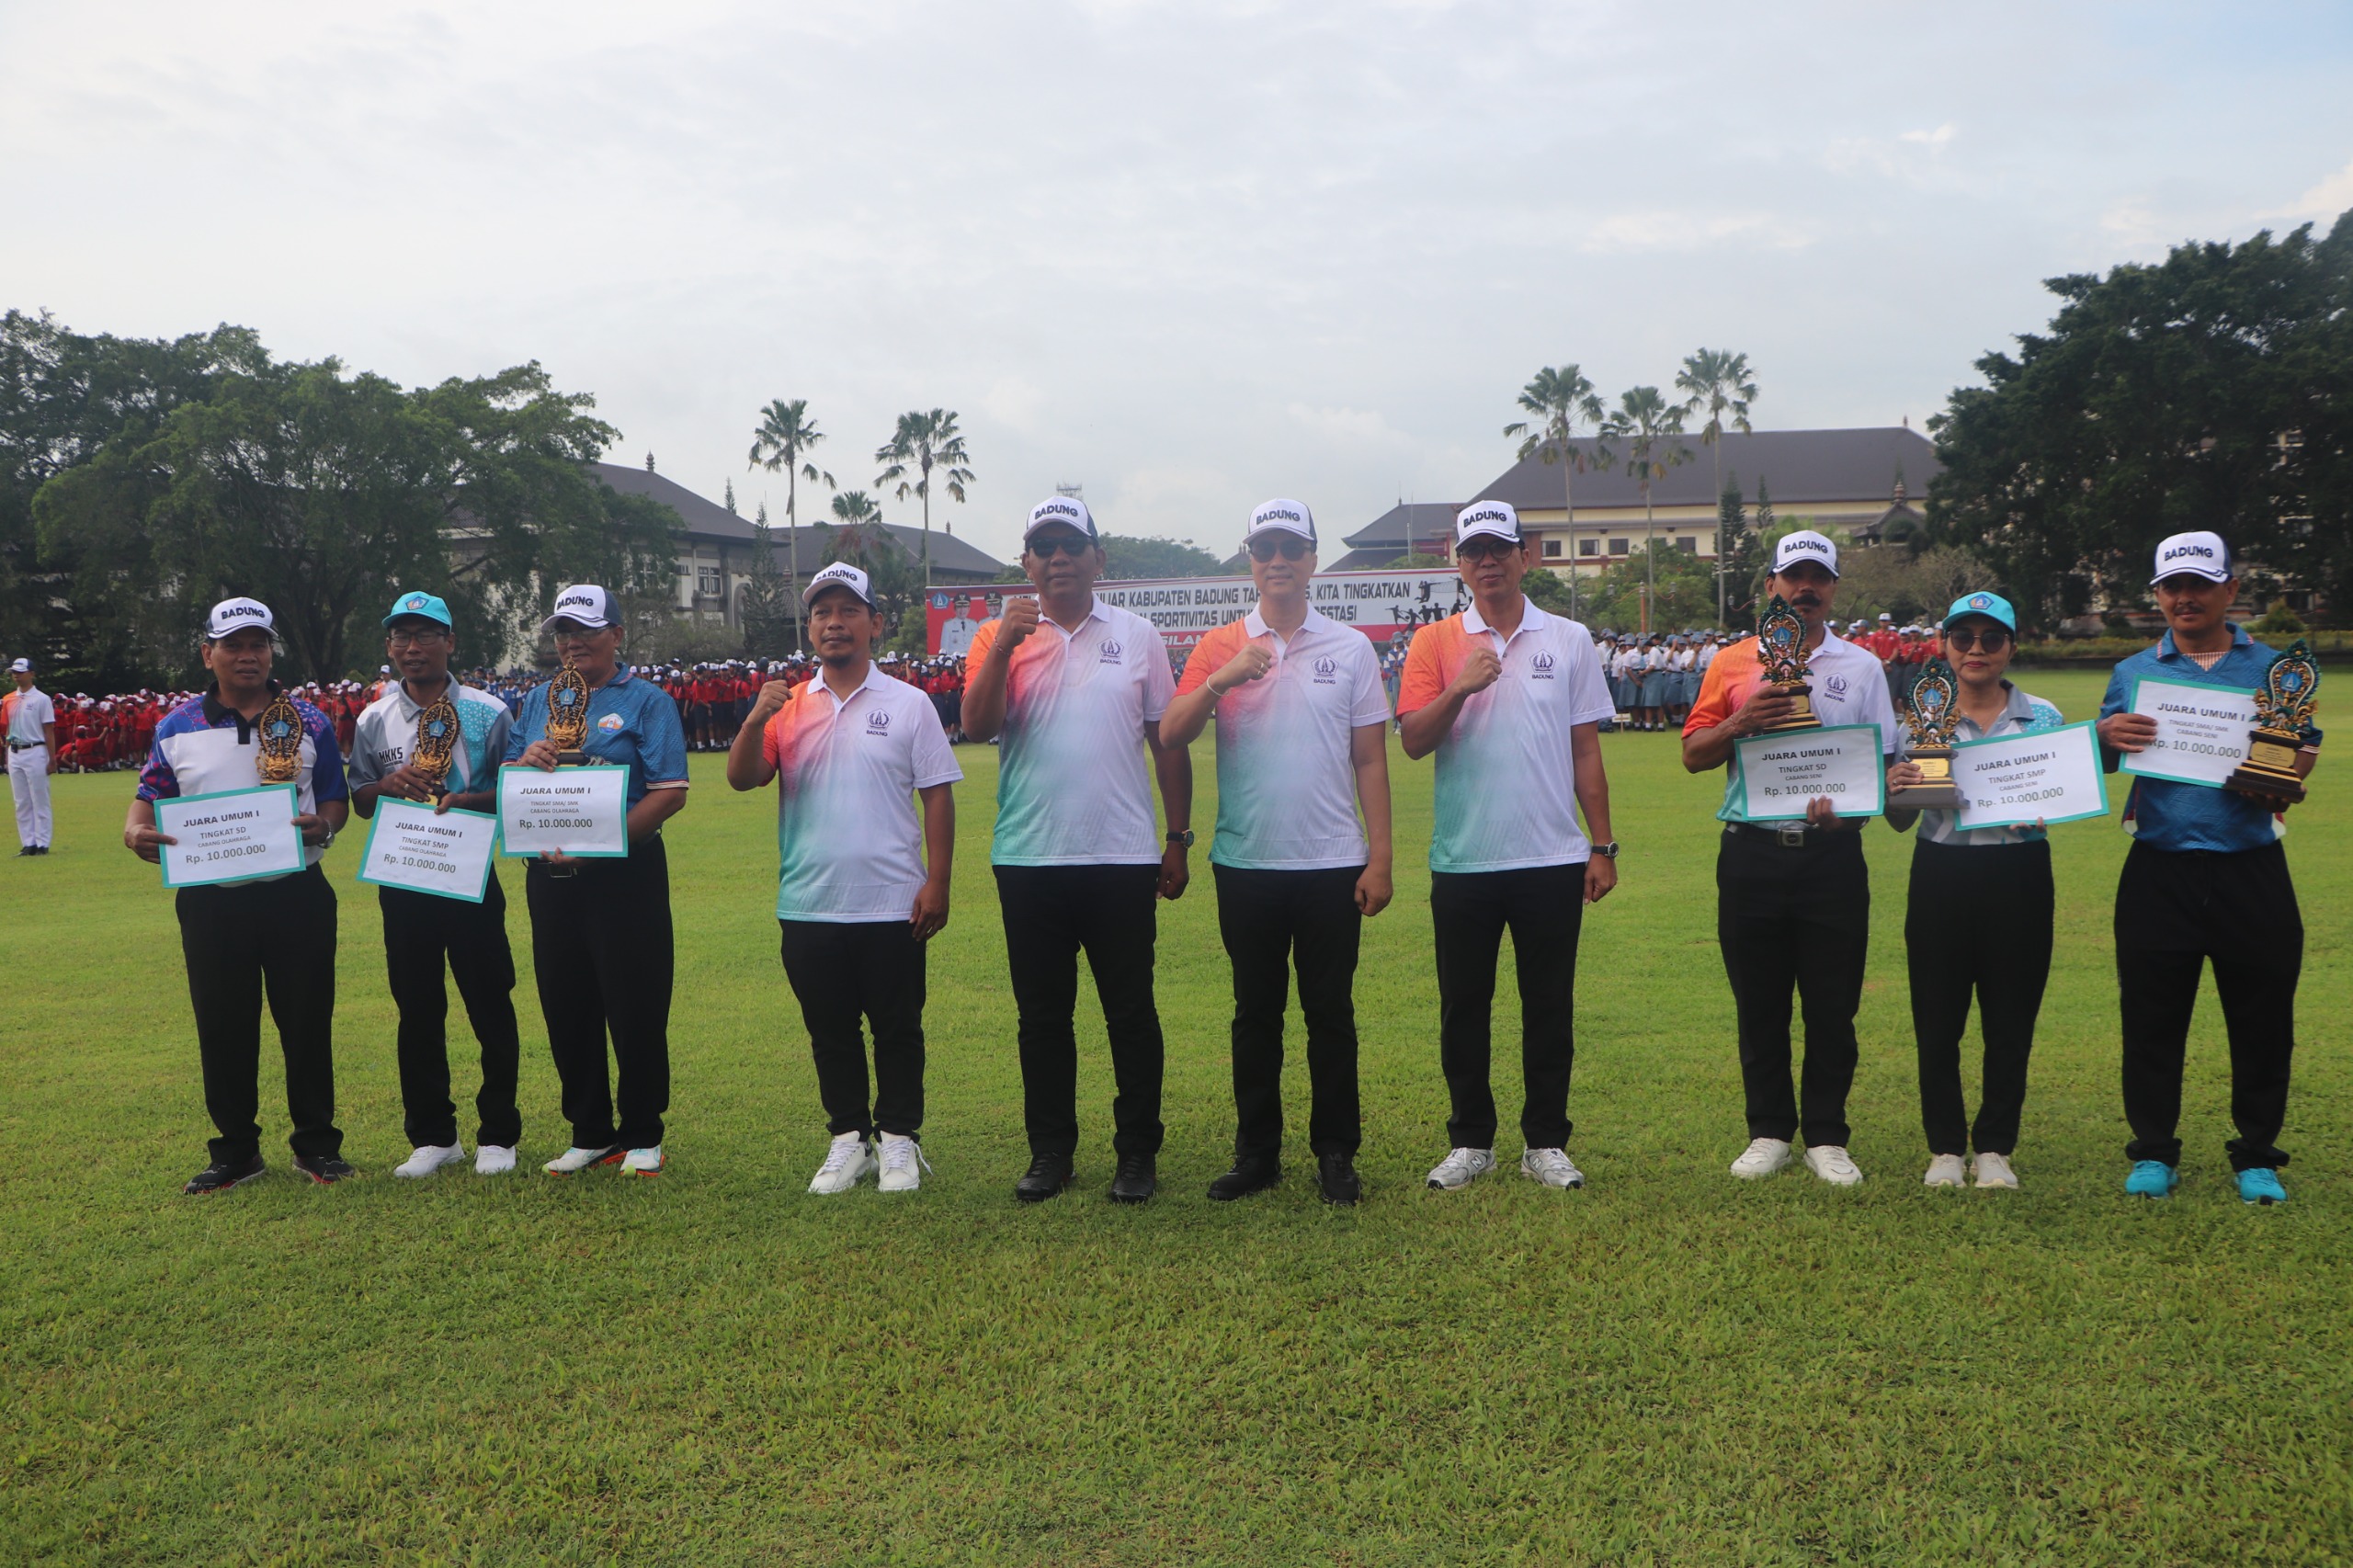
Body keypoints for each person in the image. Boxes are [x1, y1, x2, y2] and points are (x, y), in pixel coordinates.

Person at [1159, 499, 1394, 1206]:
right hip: (1247, 863)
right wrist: (1223, 677)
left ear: (1313, 559)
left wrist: (1380, 857)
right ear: (1251, 560)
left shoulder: (1350, 648)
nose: (1279, 561)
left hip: (1332, 862)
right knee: (1254, 1015)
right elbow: (1171, 733)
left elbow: (1370, 761)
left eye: (1292, 548)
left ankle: (1336, 1153)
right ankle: (1256, 1154)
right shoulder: (1220, 645)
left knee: (1331, 1015)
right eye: (1265, 549)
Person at [960, 495, 1192, 1205]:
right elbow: (977, 725)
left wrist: (1176, 839)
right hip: (1030, 856)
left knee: (1131, 1013)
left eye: (1071, 544)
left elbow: (1167, 743)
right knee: (1042, 1019)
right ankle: (1051, 1152)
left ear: (1098, 558)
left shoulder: (1137, 635)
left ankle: (1137, 1153)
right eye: (1044, 546)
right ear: (1026, 562)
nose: (1058, 557)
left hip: (1121, 857)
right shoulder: (997, 635)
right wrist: (1005, 646)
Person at [1397, 500, 1619, 1193]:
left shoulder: (1569, 638)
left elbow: (1586, 749)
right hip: (1465, 858)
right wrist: (1460, 687)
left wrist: (1603, 845)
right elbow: (1412, 741)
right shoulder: (1435, 641)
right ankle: (1471, 1142)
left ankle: (1545, 1143)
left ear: (1526, 556)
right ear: (1459, 565)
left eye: (1501, 548)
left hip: (1551, 857)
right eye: (1475, 552)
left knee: (1549, 1007)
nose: (1488, 562)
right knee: (1464, 1007)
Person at [2095, 532, 2318, 1206]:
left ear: (2231, 590)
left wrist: (2284, 779)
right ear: (2157, 594)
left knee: (2262, 1020)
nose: (2185, 597)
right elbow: (2105, 755)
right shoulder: (2134, 671)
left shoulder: (2276, 669)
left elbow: (2303, 749)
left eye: (2199, 584)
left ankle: (2257, 1156)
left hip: (2251, 866)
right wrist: (2104, 737)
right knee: (2151, 1019)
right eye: (2172, 586)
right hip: (2159, 866)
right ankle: (2153, 1151)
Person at [727, 563, 961, 1196]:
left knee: (897, 1029)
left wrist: (938, 882)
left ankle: (900, 1139)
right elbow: (744, 779)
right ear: (810, 628)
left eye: (848, 611)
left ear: (875, 623)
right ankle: (849, 1138)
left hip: (892, 901)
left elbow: (938, 795)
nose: (834, 623)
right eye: (822, 613)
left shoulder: (909, 703)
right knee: (830, 1031)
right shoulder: (788, 707)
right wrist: (754, 719)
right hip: (809, 900)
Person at [1681, 530, 1898, 1187]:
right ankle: (1770, 1131)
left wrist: (1851, 813)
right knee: (1760, 1003)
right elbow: (1694, 755)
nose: (1806, 588)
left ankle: (1826, 1136)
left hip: (1833, 857)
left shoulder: (1862, 667)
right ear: (1771, 585)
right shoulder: (1732, 663)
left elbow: (1882, 767)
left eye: (1819, 577)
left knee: (1833, 1005)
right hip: (1752, 853)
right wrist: (1740, 722)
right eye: (1794, 577)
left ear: (1833, 588)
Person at [124, 598, 353, 1193]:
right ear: (209, 654)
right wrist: (134, 830)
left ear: (271, 652)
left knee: (307, 1021)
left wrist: (325, 826)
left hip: (296, 892)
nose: (247, 655)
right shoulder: (177, 726)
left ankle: (317, 1146)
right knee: (223, 1024)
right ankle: (235, 1152)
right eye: (233, 645)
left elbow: (335, 797)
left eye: (258, 644)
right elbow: (149, 796)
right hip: (212, 899)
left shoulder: (310, 720)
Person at [504, 585, 690, 1178]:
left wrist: (603, 846)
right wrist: (525, 762)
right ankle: (588, 1131)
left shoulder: (646, 701)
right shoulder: (537, 699)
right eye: (563, 631)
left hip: (625, 874)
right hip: (551, 874)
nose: (572, 642)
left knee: (635, 1002)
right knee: (566, 1001)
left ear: (617, 635)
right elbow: (509, 776)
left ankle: (642, 1131)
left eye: (586, 630)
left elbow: (669, 792)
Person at [1884, 593, 2063, 1189]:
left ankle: (1994, 1148)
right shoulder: (1919, 716)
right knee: (1937, 1018)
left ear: (2012, 646)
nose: (1976, 650)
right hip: (1942, 873)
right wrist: (1896, 789)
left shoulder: (2044, 717)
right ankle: (1944, 1148)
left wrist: (2051, 803)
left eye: (1991, 638)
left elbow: (2063, 793)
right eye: (1963, 638)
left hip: (2020, 873)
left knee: (2011, 1018)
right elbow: (1899, 820)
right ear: (1945, 646)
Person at [346, 590, 524, 1178]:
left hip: (469, 875)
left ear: (450, 641)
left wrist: (468, 800)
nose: (412, 647)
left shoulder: (488, 711)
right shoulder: (373, 717)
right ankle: (433, 1136)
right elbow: (360, 799)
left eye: (425, 635)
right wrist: (386, 784)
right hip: (403, 879)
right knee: (417, 1007)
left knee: (489, 1002)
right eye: (401, 636)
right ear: (389, 644)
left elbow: (515, 791)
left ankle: (498, 1134)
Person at [6, 658, 57, 855]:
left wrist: (52, 759)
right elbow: (8, 728)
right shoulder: (9, 699)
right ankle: (28, 842)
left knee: (39, 798)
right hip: (15, 751)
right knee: (21, 801)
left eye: (20, 672)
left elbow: (48, 730)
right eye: (14, 672)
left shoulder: (42, 699)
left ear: (32, 674)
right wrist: (7, 753)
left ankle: (42, 842)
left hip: (35, 750)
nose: (16, 676)